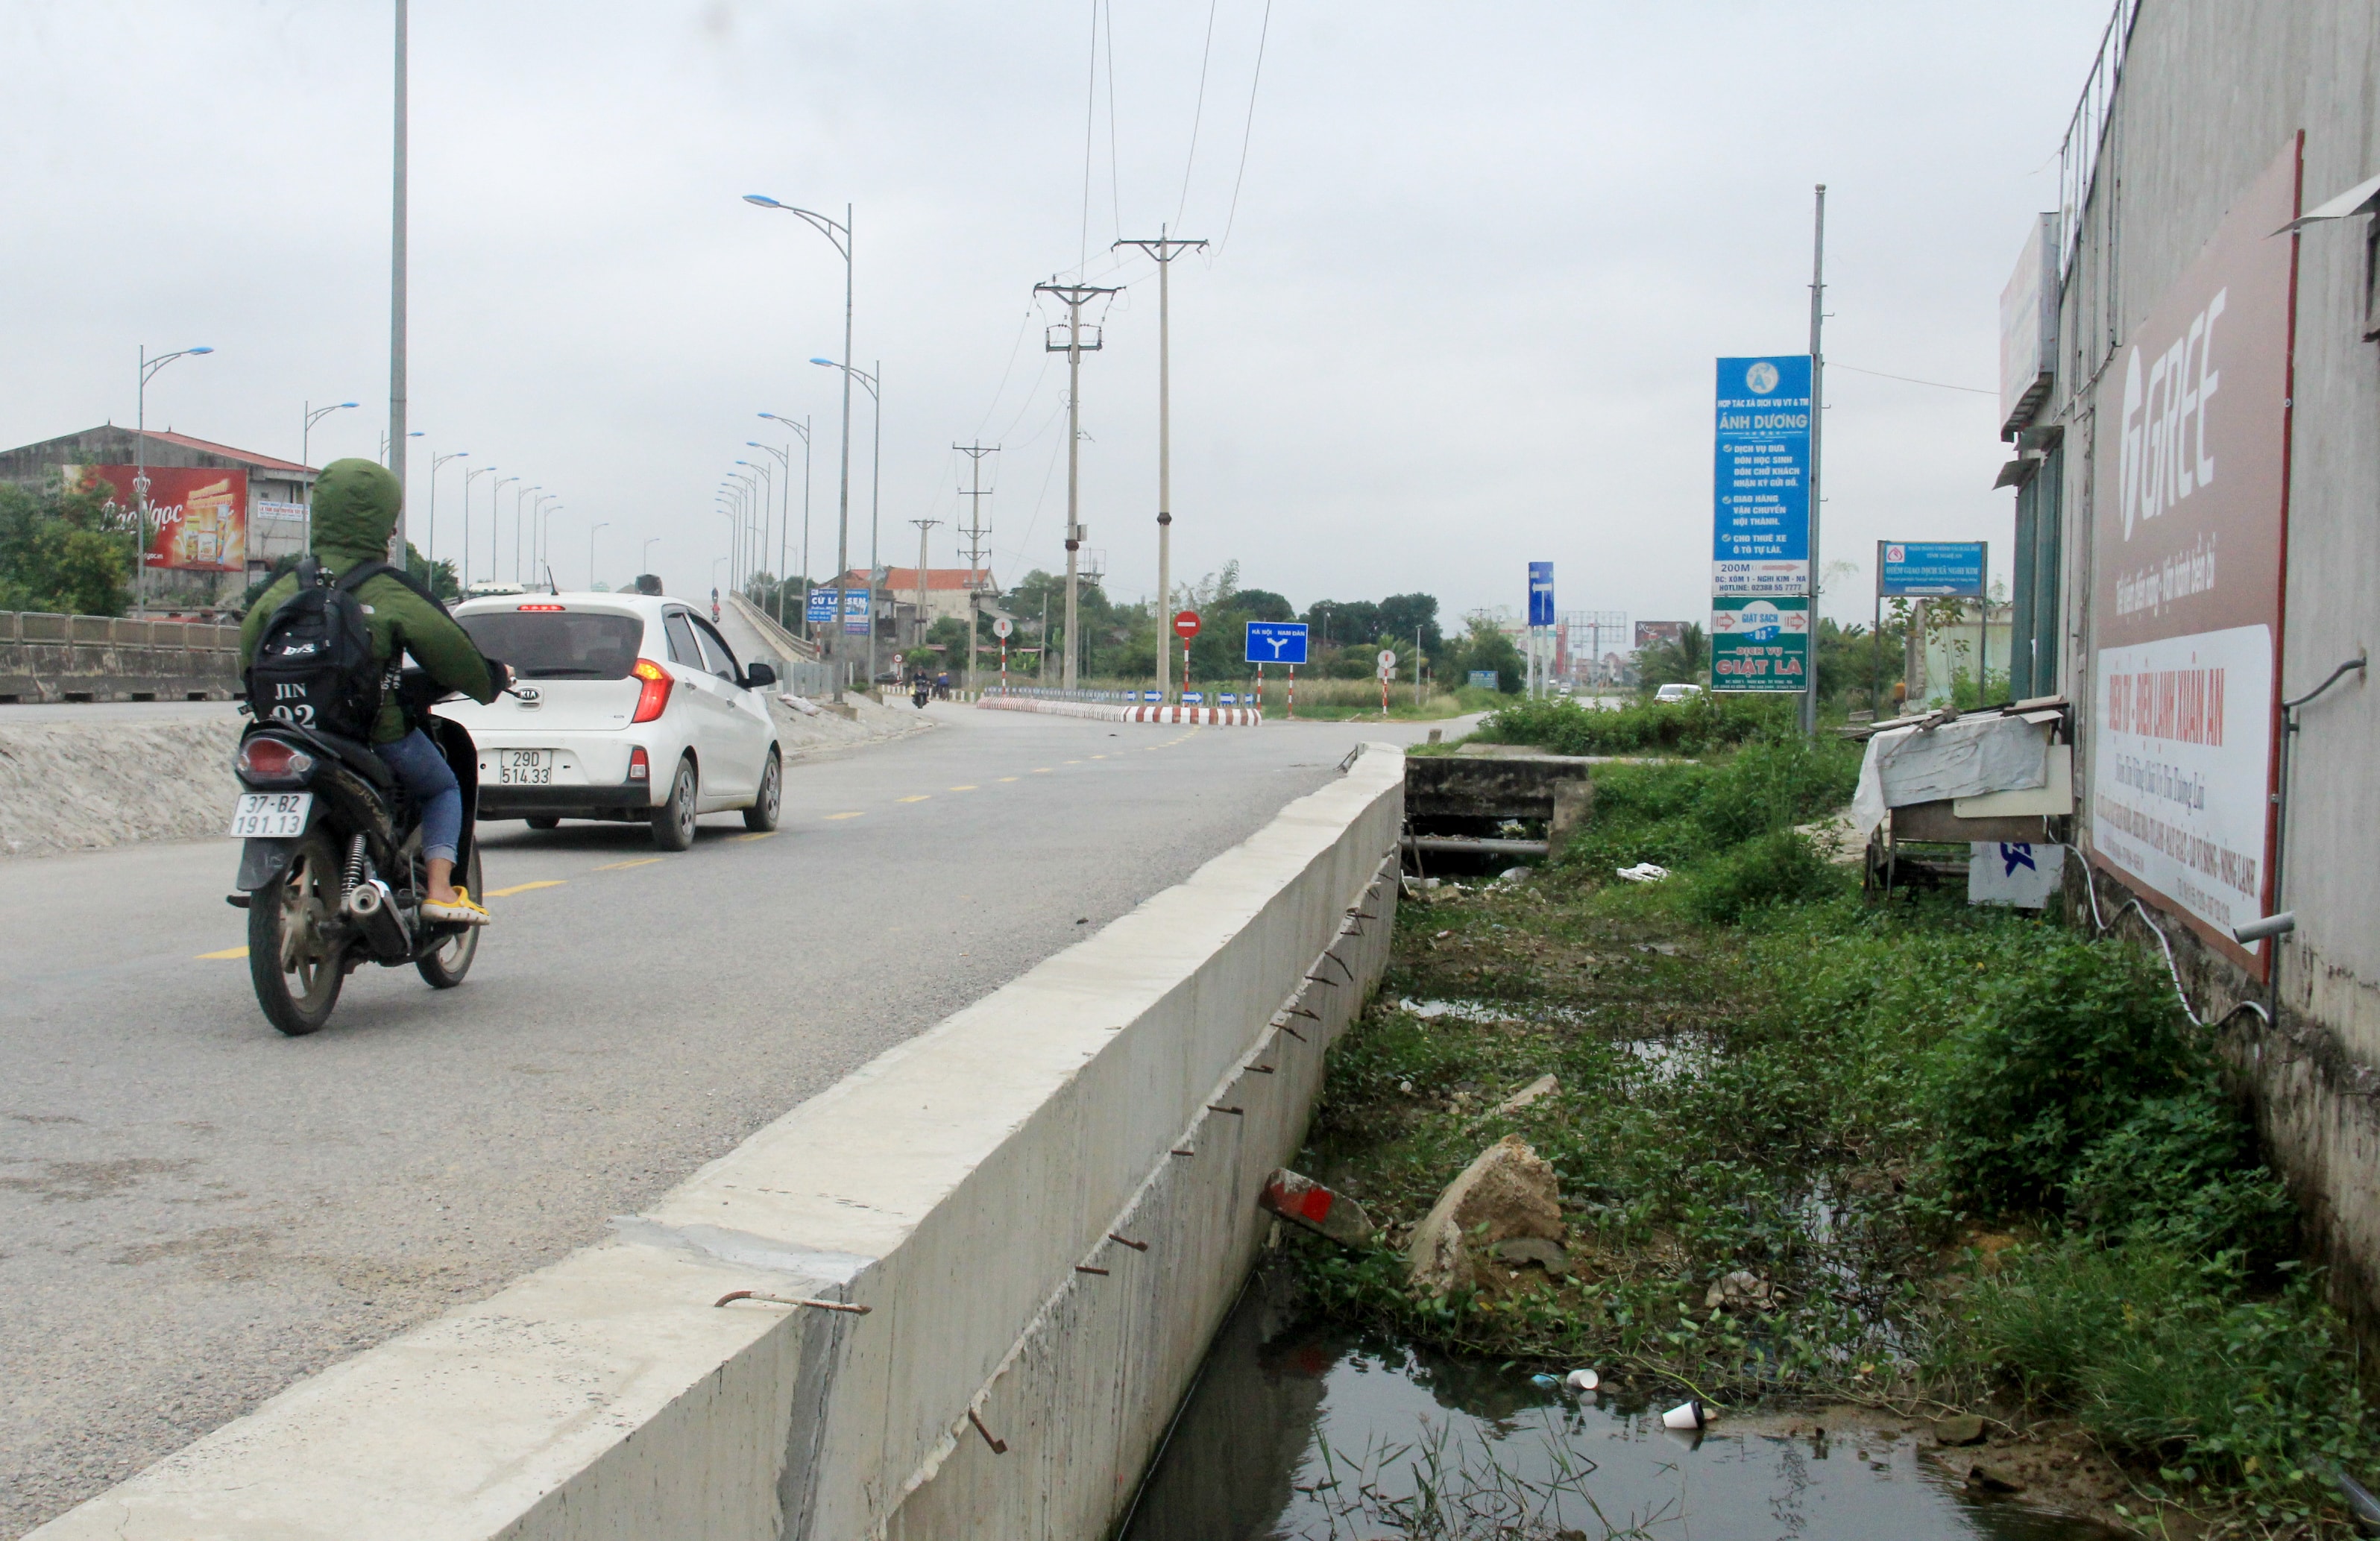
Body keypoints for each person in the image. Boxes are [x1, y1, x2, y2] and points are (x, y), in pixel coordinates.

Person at [241, 459, 509, 925]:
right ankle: (442, 889)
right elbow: (452, 654)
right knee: (444, 786)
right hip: (374, 736)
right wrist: (490, 680)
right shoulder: (386, 590)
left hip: (288, 731)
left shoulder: (284, 586)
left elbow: (247, 654)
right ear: (386, 521)